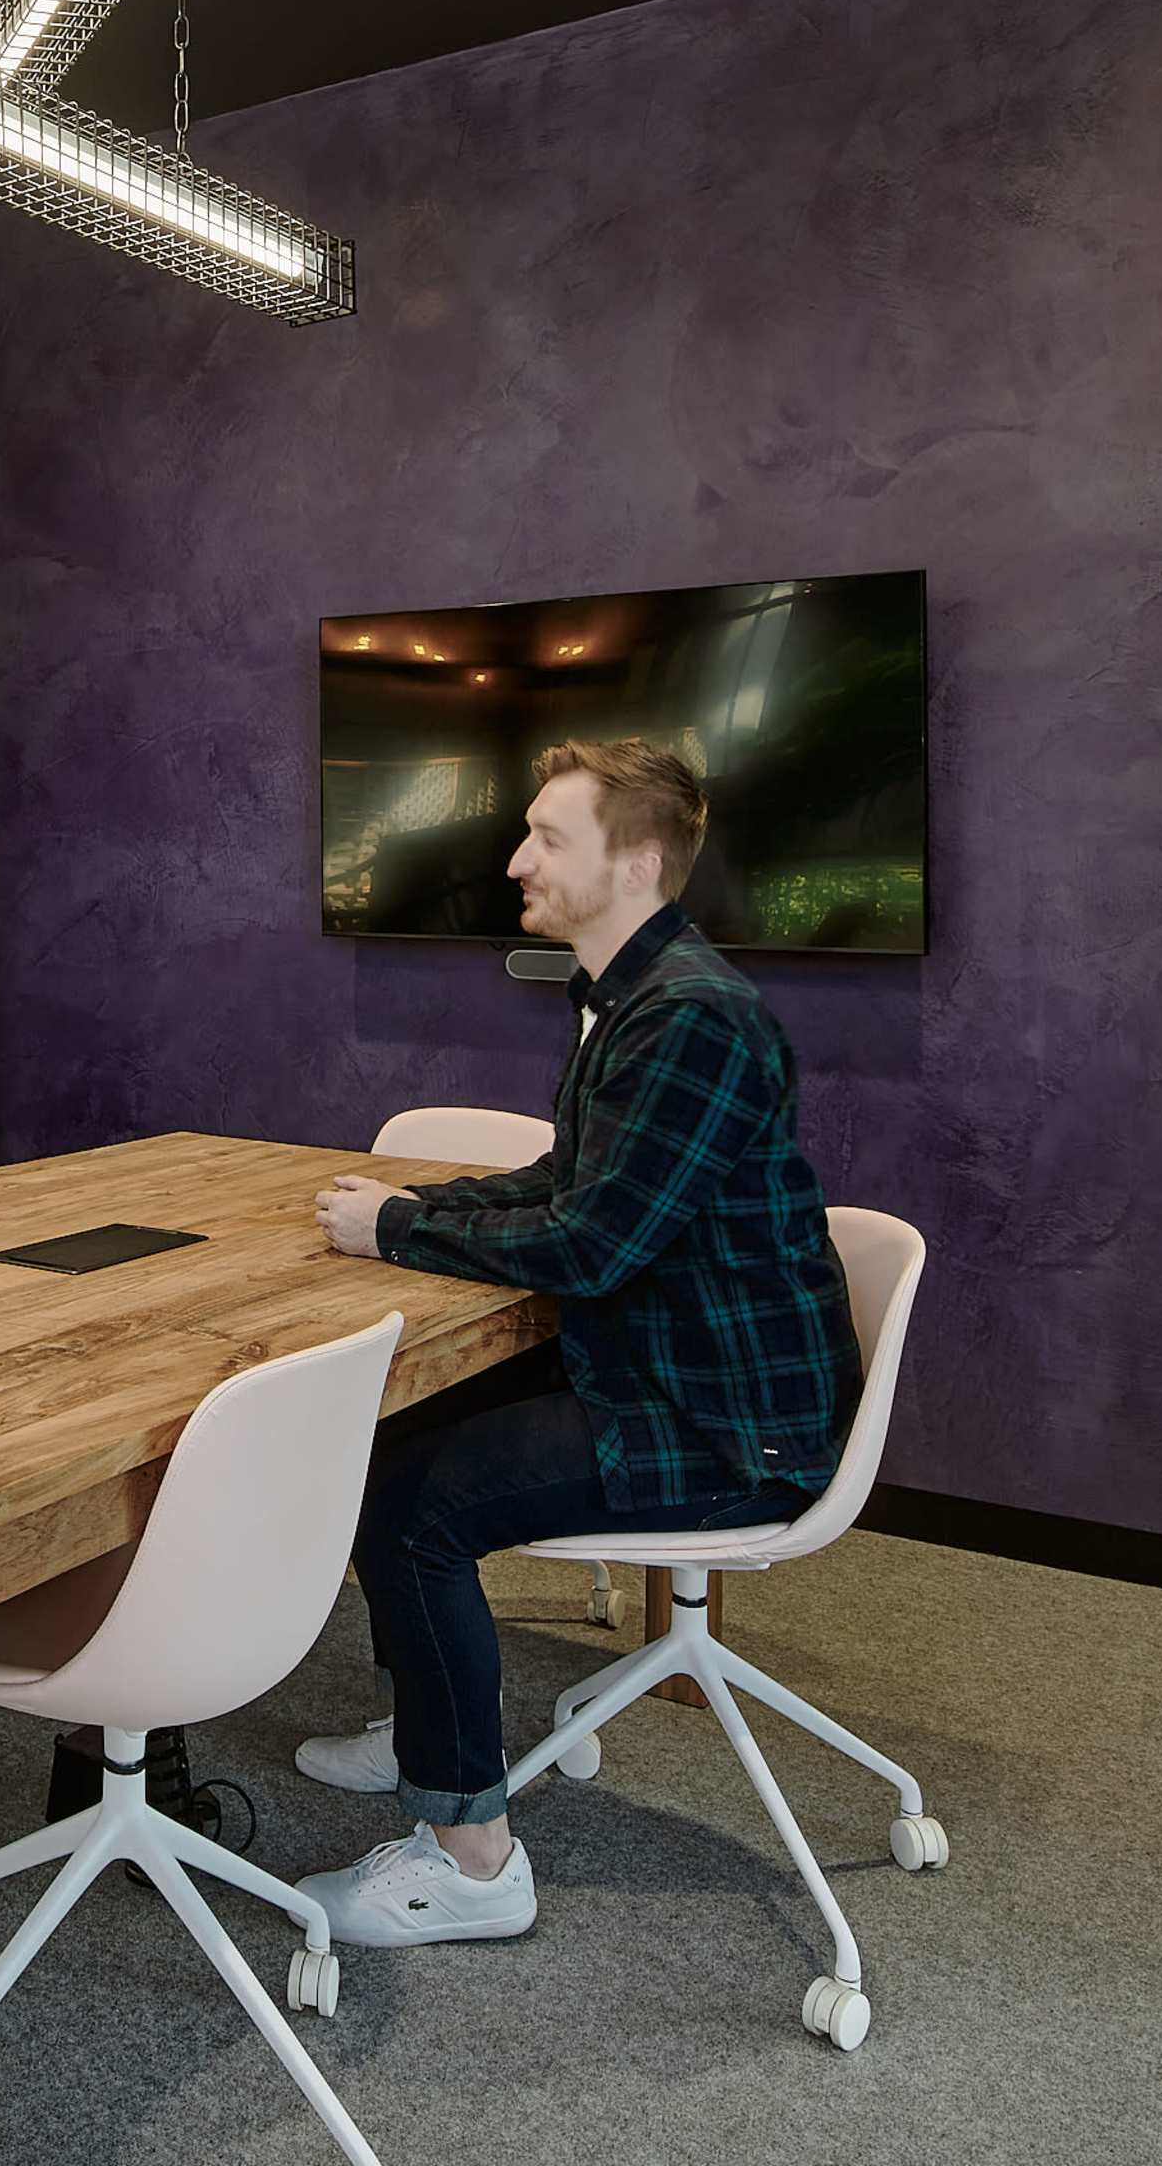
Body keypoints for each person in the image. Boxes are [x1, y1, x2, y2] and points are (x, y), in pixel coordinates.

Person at [290, 738, 860, 1950]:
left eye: (550, 837)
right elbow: (569, 1181)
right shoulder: (625, 993)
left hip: (727, 1418)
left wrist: (395, 1227)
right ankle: (432, 1725)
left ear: (638, 861)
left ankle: (471, 1858)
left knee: (418, 1508)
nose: (516, 859)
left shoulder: (692, 1019)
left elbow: (596, 1246)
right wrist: (421, 1214)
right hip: (664, 1357)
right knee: (388, 1437)